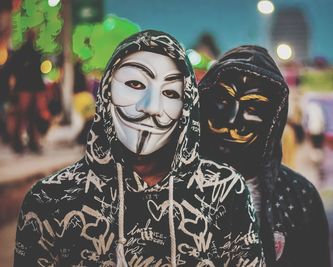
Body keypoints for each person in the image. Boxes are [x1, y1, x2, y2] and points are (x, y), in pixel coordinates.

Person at [14, 31, 264, 266]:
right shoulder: (50, 199)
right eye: (134, 84)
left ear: (187, 105)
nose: (151, 107)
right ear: (106, 90)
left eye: (170, 92)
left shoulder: (224, 191)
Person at [199, 45, 330, 266]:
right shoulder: (162, 186)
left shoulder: (300, 197)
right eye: (222, 99)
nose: (232, 120)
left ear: (273, 122)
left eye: (253, 108)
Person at [9, 29, 49, 153]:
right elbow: (37, 74)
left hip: (25, 88)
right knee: (28, 115)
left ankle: (22, 143)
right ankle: (27, 143)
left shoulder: (21, 53)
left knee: (25, 116)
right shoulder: (32, 53)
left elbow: (15, 70)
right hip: (28, 88)